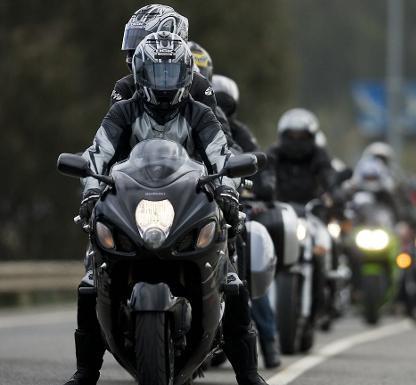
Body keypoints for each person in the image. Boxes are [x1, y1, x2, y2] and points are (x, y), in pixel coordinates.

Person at [63, 32, 267, 385]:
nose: (163, 83)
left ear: (187, 74)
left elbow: (221, 152)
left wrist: (229, 190)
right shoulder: (123, 111)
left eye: (171, 74)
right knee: (91, 280)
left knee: (231, 280)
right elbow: (99, 152)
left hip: (188, 203)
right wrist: (91, 189)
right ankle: (85, 373)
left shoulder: (200, 114)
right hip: (132, 203)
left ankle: (248, 374)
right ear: (141, 74)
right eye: (156, 73)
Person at [213, 74, 281, 369]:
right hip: (182, 204)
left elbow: (255, 160)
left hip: (226, 203)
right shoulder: (162, 120)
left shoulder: (236, 133)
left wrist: (260, 184)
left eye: (223, 103)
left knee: (248, 249)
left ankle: (267, 339)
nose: (218, 108)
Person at [111, 4, 235, 146]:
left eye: (141, 43)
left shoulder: (200, 86)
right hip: (137, 166)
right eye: (132, 44)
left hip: (189, 166)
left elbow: (219, 145)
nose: (132, 53)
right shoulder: (124, 87)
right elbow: (113, 143)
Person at [266, 108, 336, 204]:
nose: (296, 142)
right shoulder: (274, 153)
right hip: (276, 210)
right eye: (291, 136)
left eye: (303, 137)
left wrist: (335, 189)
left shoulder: (318, 154)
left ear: (312, 137)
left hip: (313, 212)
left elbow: (327, 175)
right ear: (283, 136)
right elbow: (264, 175)